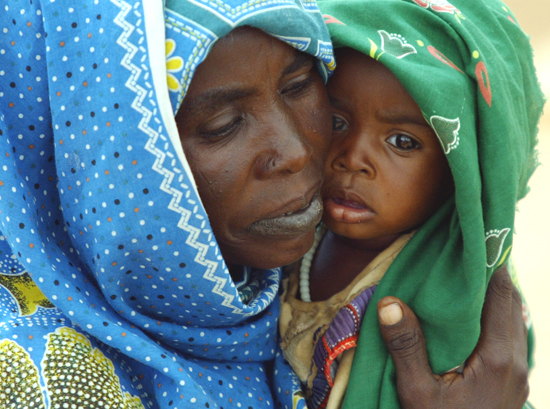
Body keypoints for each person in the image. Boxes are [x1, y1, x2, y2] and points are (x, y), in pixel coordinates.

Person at [0, 0, 533, 408]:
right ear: (106, 165)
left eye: (301, 86)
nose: (301, 153)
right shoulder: (38, 376)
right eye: (223, 125)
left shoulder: (275, 275)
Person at [278, 0, 544, 408]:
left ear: (464, 171)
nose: (352, 158)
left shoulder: (452, 294)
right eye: (336, 122)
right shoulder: (285, 234)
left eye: (402, 141)